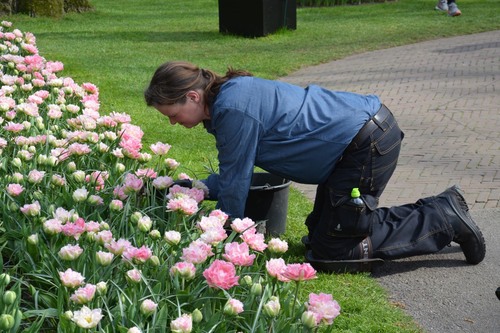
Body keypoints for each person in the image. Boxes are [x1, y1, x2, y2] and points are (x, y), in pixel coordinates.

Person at [144, 61, 485, 273]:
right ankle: (436, 211)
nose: (173, 124)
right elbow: (235, 173)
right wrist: (194, 188)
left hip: (365, 145)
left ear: (191, 96)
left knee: (335, 252)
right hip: (350, 149)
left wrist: (216, 246)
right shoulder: (228, 100)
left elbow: (235, 186)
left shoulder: (232, 109)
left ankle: (444, 217)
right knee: (320, 236)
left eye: (172, 115)